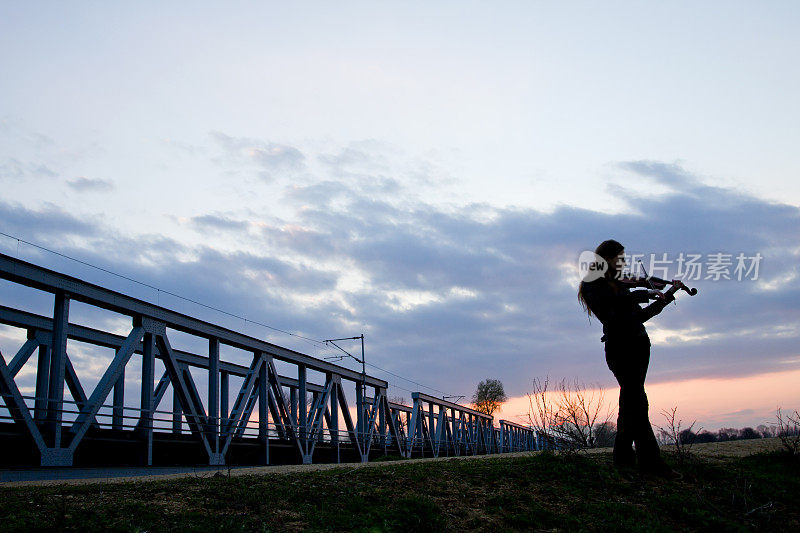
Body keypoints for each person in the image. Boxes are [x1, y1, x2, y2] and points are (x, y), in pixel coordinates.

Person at [578, 239, 685, 477]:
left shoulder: (618, 287)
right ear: (606, 258)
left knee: (630, 403)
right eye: (620, 258)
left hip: (639, 346)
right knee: (638, 403)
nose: (624, 263)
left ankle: (623, 457)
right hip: (620, 349)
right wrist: (642, 291)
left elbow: (639, 316)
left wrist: (666, 296)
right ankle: (652, 463)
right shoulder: (594, 285)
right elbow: (612, 312)